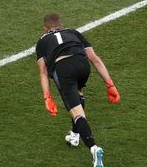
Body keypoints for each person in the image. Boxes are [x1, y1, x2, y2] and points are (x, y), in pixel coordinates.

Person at [36, 12, 120, 167]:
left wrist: (47, 96)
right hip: (82, 65)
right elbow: (95, 59)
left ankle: (94, 149)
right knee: (78, 92)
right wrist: (110, 84)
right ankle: (75, 135)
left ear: (44, 28)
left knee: (77, 113)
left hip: (64, 69)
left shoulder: (42, 41)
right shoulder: (73, 32)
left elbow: (42, 71)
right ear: (62, 25)